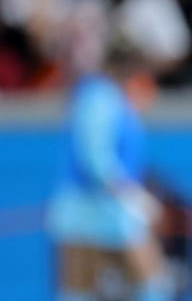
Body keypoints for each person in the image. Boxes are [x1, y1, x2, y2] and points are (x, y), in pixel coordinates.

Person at [46, 27, 172, 301]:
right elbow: (96, 159)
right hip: (88, 206)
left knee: (150, 285)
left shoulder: (115, 97)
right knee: (79, 289)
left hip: (109, 207)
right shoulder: (97, 97)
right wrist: (134, 197)